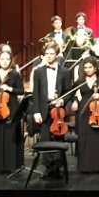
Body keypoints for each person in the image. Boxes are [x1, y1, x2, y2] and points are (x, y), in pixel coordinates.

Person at [31, 43, 73, 177]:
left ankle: (57, 167)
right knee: (45, 138)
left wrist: (63, 100)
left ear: (57, 55)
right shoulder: (38, 71)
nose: (49, 56)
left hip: (58, 110)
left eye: (52, 54)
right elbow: (36, 94)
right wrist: (36, 111)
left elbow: (68, 92)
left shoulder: (65, 71)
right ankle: (48, 167)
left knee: (59, 139)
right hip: (43, 108)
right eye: (47, 54)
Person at [72, 57, 99, 173]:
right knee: (84, 138)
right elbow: (72, 93)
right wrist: (75, 100)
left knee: (97, 139)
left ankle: (98, 166)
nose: (88, 70)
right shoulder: (80, 81)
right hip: (84, 112)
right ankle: (85, 167)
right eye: (85, 68)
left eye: (90, 67)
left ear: (95, 68)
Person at [0, 50, 24, 173]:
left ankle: (11, 164)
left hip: (11, 107)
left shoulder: (15, 74)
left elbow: (21, 91)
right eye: (2, 59)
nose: (4, 61)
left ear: (11, 61)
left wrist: (9, 88)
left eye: (7, 59)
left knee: (10, 134)